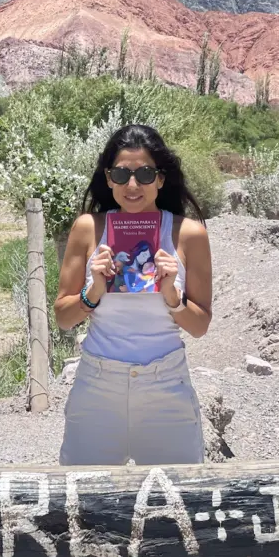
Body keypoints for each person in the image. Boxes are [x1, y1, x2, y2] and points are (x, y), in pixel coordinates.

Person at [54, 124, 213, 466]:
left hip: (166, 388)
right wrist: (92, 292)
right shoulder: (88, 229)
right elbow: (63, 317)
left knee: (174, 507)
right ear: (108, 178)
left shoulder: (189, 234)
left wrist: (173, 297)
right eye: (122, 174)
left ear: (160, 178)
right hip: (97, 387)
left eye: (143, 173)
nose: (132, 185)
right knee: (84, 506)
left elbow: (199, 326)